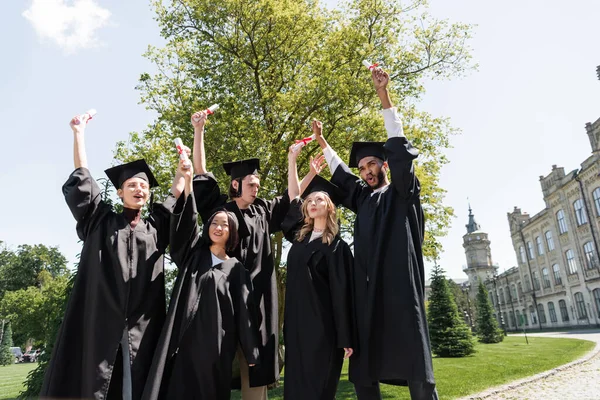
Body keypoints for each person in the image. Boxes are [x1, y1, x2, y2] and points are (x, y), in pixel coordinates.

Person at [313, 67, 438, 399]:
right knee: (363, 370)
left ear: (385, 166)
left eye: (373, 165)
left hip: (400, 289)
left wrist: (384, 96)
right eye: (363, 167)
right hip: (367, 293)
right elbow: (341, 176)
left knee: (415, 367)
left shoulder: (402, 192)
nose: (367, 171)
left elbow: (399, 150)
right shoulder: (364, 198)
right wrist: (323, 142)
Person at [41, 113, 184, 400]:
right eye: (131, 185)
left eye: (143, 186)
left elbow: (176, 194)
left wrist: (184, 169)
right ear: (120, 192)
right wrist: (78, 133)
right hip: (101, 316)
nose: (139, 189)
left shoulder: (156, 226)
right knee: (96, 382)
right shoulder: (101, 221)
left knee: (138, 381)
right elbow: (83, 179)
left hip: (144, 321)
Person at [190, 110, 313, 398]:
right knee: (215, 356)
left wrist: (295, 163)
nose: (256, 189)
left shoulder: (262, 212)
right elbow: (201, 174)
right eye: (251, 184)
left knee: (256, 363)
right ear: (235, 185)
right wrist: (199, 132)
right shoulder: (221, 211)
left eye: (258, 185)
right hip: (224, 295)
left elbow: (291, 198)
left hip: (258, 296)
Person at [142, 157, 260, 400]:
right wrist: (187, 181)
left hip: (217, 346)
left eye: (224, 225)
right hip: (184, 341)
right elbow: (186, 221)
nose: (218, 227)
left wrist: (251, 352)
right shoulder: (194, 255)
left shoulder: (237, 269)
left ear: (232, 232)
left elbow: (245, 314)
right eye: (214, 223)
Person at [279, 145, 355, 400]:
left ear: (331, 207)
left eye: (319, 199)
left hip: (324, 329)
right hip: (297, 327)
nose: (312, 202)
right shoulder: (299, 240)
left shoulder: (336, 247)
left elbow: (342, 293)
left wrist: (345, 336)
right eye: (310, 200)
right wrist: (293, 160)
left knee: (319, 389)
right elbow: (293, 196)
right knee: (296, 390)